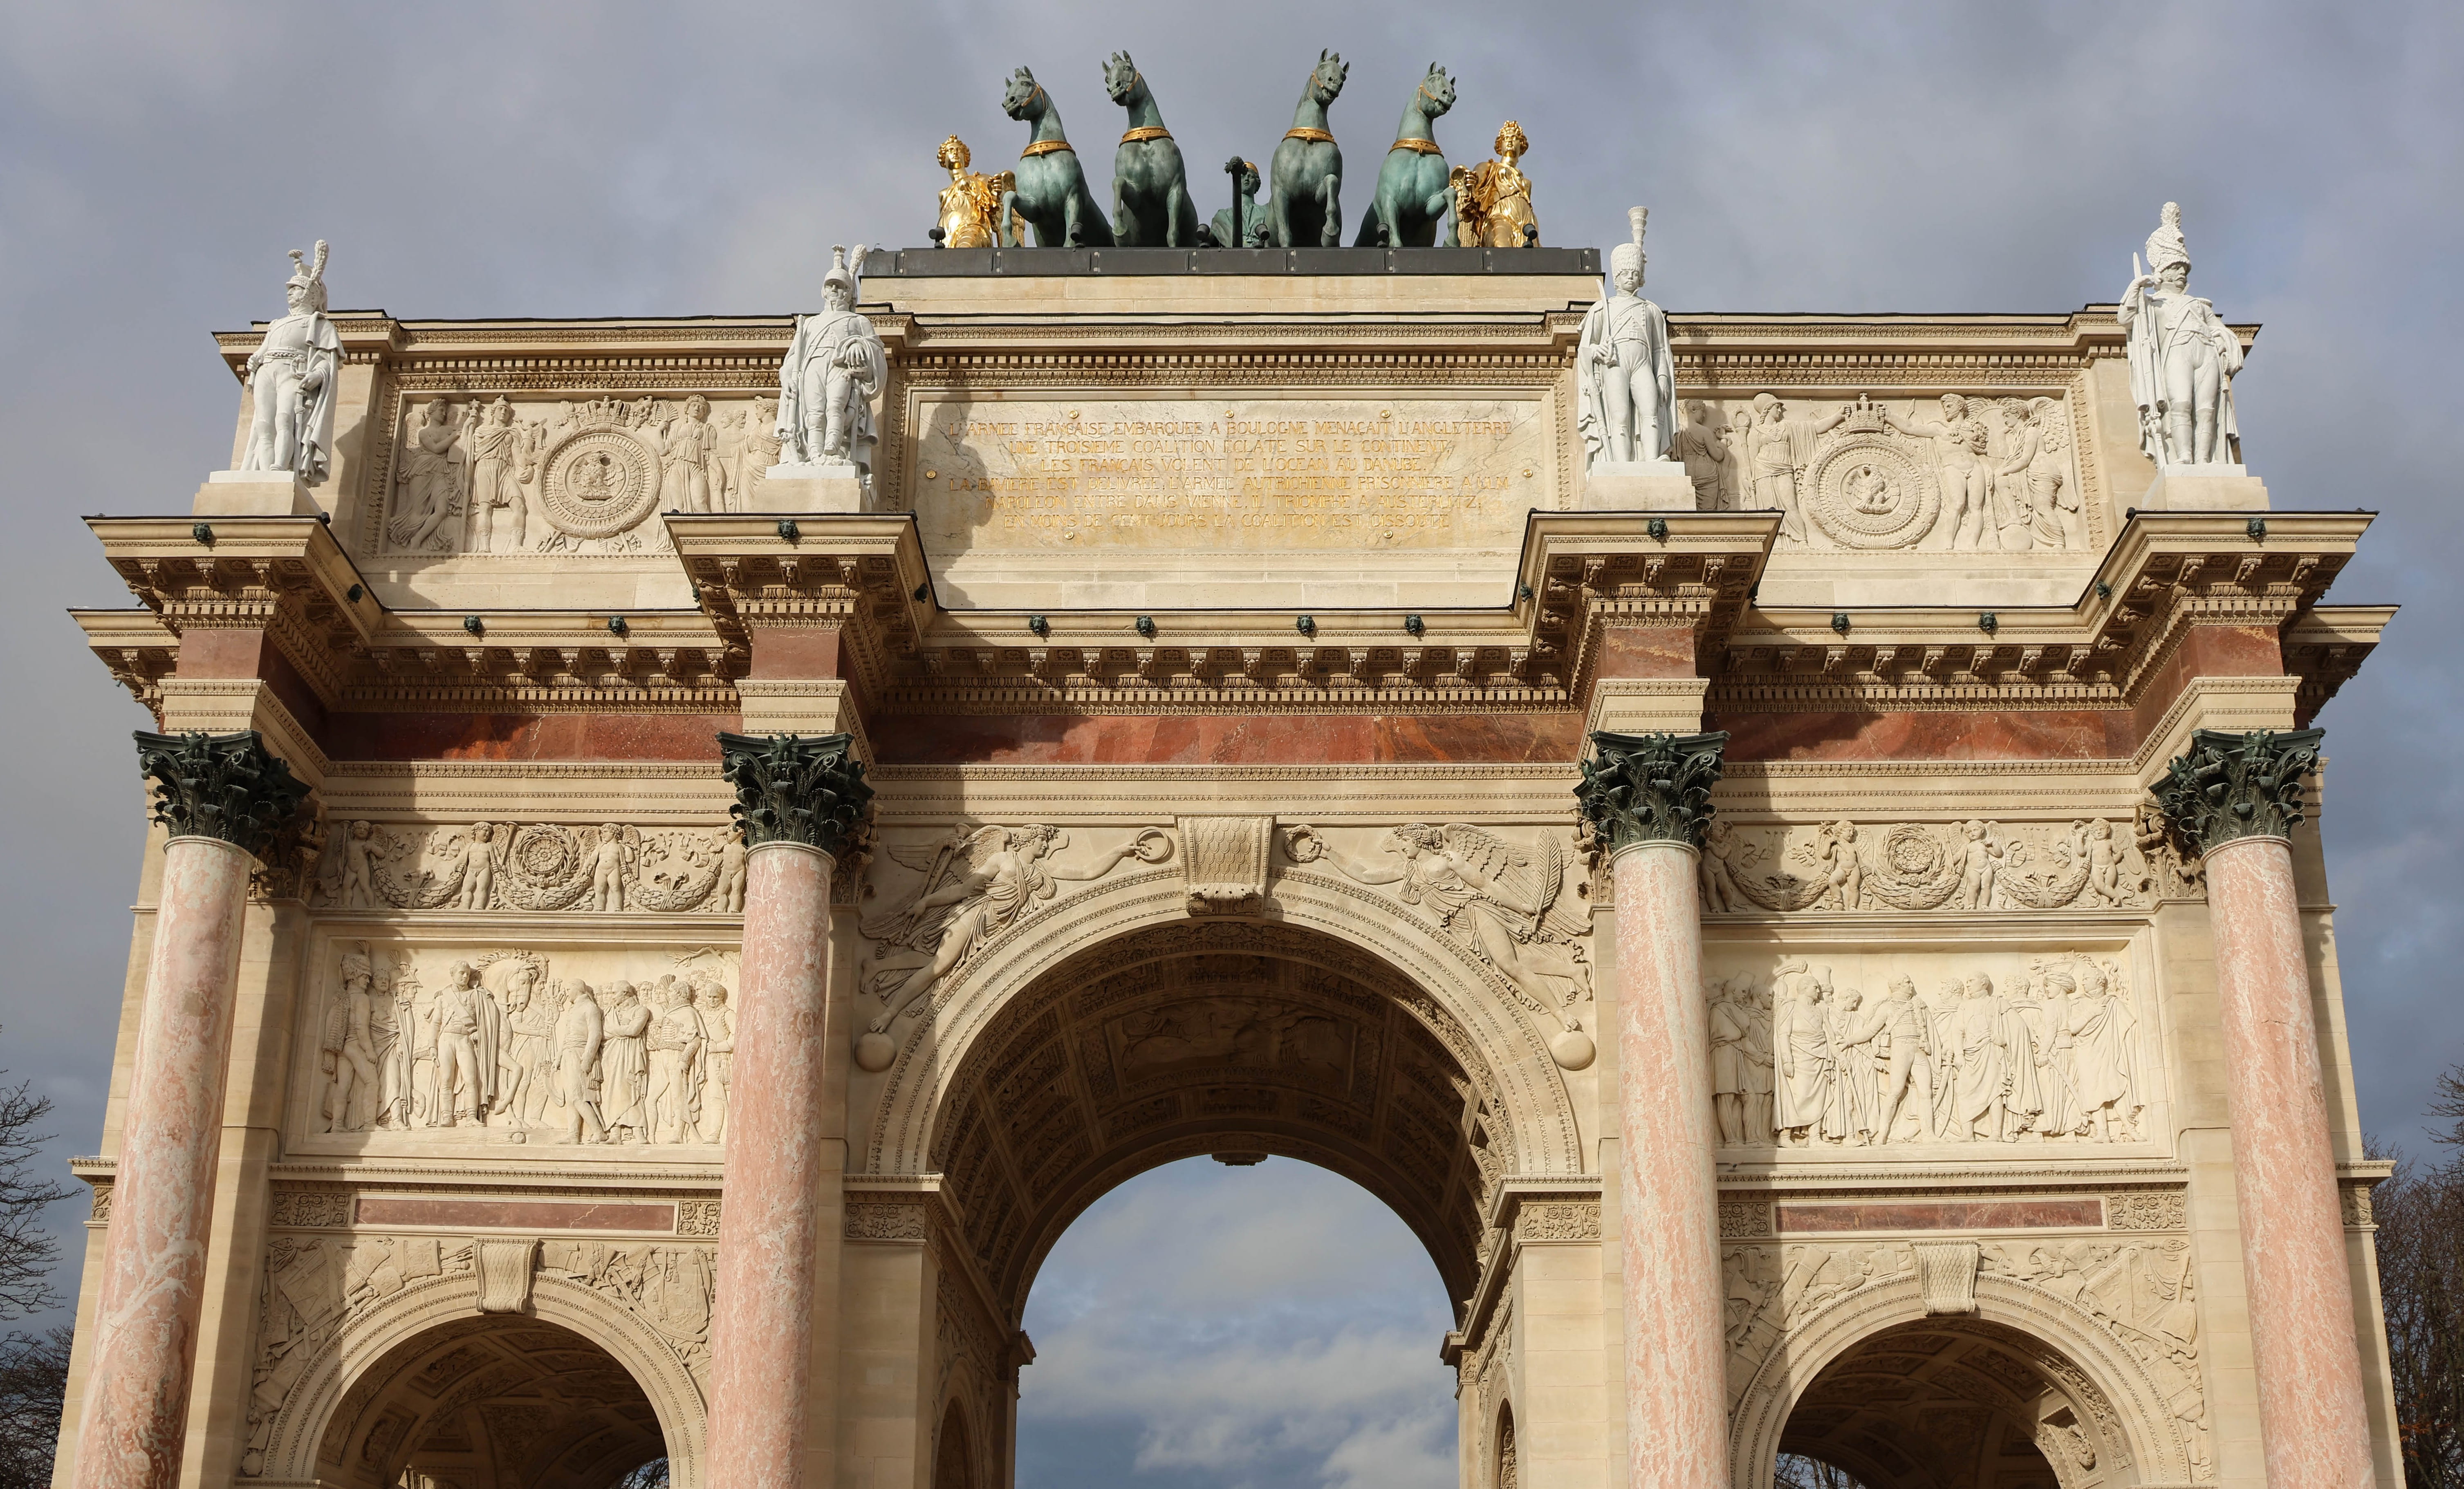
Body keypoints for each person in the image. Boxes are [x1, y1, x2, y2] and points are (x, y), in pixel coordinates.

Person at [2119, 202, 2242, 467]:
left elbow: (2221, 331)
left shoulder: (2199, 304)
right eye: (2175, 268)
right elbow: (2125, 318)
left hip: (2205, 352)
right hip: (2177, 352)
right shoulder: (2153, 304)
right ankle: (2184, 456)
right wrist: (2136, 287)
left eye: (2183, 270)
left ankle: (2205, 459)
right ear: (2161, 272)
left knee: (2207, 409)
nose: (2181, 274)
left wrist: (2224, 341)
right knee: (2181, 403)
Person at [1575, 207, 1676, 468]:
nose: (1630, 278)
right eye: (1625, 274)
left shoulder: (1650, 309)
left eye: (1634, 274)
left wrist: (1663, 376)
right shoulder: (1602, 308)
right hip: (1615, 364)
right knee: (1619, 415)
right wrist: (1599, 352)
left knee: (1650, 411)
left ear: (1640, 277)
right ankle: (1621, 464)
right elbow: (1586, 349)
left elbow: (1659, 350)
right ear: (1617, 278)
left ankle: (1652, 459)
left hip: (1643, 363)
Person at [776, 245, 888, 479]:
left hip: (842, 366)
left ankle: (833, 449)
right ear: (824, 291)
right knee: (814, 413)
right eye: (831, 286)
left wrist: (860, 346)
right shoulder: (809, 324)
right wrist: (786, 378)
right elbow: (792, 358)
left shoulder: (858, 321)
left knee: (836, 406)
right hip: (812, 365)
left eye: (840, 286)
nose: (835, 290)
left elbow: (876, 349)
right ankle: (815, 454)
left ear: (849, 292)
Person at [239, 241, 342, 479]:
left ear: (309, 294)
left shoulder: (320, 324)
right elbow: (263, 350)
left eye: (295, 288)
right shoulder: (276, 324)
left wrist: (318, 375)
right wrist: (254, 360)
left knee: (284, 419)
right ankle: (265, 473)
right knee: (264, 425)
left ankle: (279, 467)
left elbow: (327, 359)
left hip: (293, 372)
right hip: (268, 370)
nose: (289, 293)